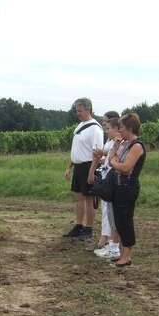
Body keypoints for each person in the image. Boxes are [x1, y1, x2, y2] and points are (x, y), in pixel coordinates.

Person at [109, 113, 146, 267]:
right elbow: (111, 159)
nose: (120, 131)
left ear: (130, 128)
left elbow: (125, 167)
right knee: (119, 221)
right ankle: (123, 254)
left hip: (128, 188)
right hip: (119, 187)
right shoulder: (125, 145)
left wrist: (114, 162)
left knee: (125, 221)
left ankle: (127, 256)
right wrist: (116, 147)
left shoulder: (137, 146)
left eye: (122, 128)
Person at [63, 98, 104, 240]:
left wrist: (92, 172)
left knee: (89, 199)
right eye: (76, 110)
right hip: (79, 166)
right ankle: (79, 225)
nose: (77, 113)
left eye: (79, 110)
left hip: (89, 166)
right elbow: (76, 149)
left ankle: (88, 229)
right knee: (79, 197)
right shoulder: (80, 125)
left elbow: (97, 153)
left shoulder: (95, 129)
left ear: (88, 110)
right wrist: (69, 167)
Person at [88, 117, 121, 260]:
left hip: (112, 181)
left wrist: (104, 155)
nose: (106, 131)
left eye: (108, 128)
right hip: (107, 179)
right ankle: (110, 244)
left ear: (116, 128)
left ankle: (112, 245)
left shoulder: (118, 142)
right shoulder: (111, 142)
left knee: (111, 214)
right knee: (108, 213)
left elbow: (114, 159)